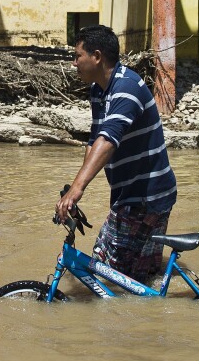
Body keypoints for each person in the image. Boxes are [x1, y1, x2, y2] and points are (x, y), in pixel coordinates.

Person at [56, 25, 178, 284]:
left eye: (78, 56)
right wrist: (75, 188)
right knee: (138, 277)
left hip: (145, 197)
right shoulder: (99, 90)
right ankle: (155, 316)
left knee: (103, 272)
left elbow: (108, 138)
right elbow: (94, 140)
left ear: (97, 57)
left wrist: (77, 190)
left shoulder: (126, 87)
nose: (74, 62)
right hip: (135, 194)